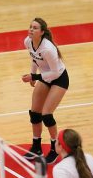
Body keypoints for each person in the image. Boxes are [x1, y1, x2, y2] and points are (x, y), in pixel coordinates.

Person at [21, 18, 69, 164]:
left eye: (35, 28)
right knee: (35, 113)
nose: (31, 30)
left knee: (47, 115)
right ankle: (36, 147)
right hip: (44, 77)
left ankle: (55, 149)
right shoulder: (28, 42)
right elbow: (34, 58)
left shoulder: (48, 48)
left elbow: (55, 73)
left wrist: (34, 76)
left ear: (42, 32)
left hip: (59, 79)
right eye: (30, 27)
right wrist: (33, 75)